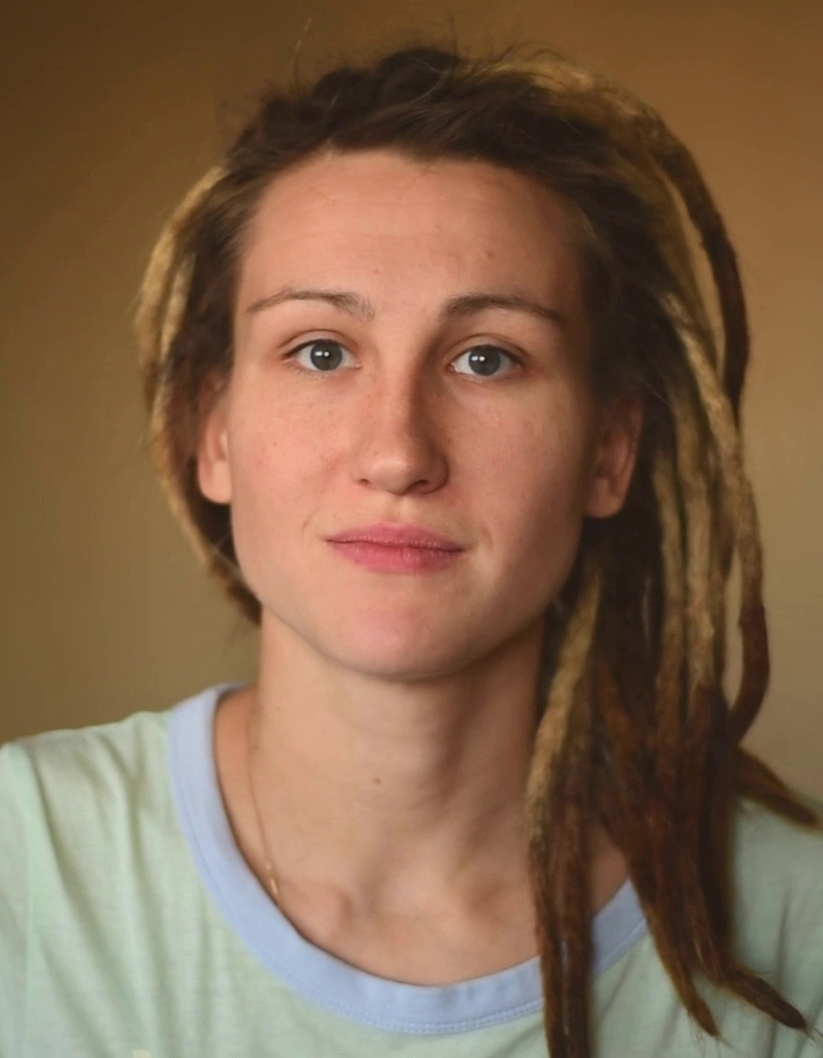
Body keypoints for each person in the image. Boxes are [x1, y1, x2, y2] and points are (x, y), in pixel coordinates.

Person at [0, 41, 821, 1058]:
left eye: (487, 358)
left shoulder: (795, 920)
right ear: (212, 431)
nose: (397, 453)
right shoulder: (24, 861)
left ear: (608, 451)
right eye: (320, 351)